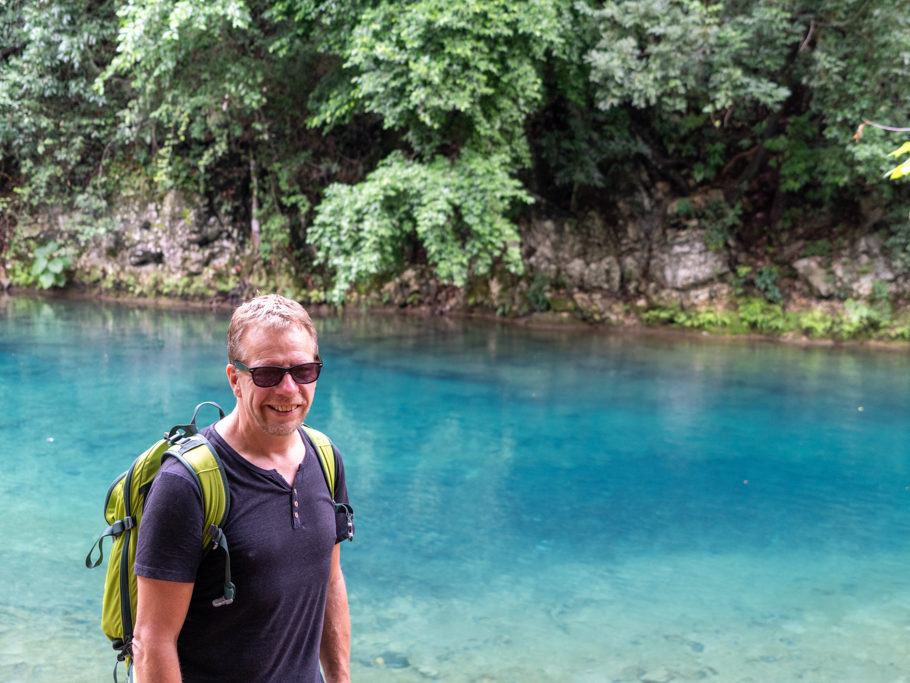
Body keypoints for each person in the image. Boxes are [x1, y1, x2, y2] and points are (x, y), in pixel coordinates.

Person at [132, 294, 352, 682]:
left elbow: (330, 581)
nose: (288, 389)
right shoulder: (185, 486)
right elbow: (153, 639)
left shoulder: (325, 458)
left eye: (303, 370)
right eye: (268, 374)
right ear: (235, 379)